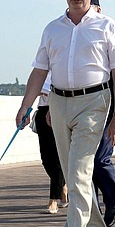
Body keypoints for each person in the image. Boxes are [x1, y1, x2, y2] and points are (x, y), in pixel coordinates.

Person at [15, 0, 115, 227]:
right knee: (75, 177)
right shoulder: (52, 28)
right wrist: (26, 106)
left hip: (95, 102)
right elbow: (40, 70)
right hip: (58, 104)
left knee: (79, 175)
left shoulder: (107, 26)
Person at [88, 0, 115, 227]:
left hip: (108, 109)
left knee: (99, 159)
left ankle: (113, 201)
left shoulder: (109, 30)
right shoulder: (74, 35)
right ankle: (93, 209)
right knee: (83, 163)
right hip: (80, 109)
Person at [36, 75, 68, 213]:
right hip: (42, 111)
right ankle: (63, 187)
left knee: (56, 159)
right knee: (46, 159)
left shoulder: (63, 68)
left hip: (58, 111)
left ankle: (53, 200)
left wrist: (45, 90)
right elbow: (36, 89)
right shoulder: (43, 69)